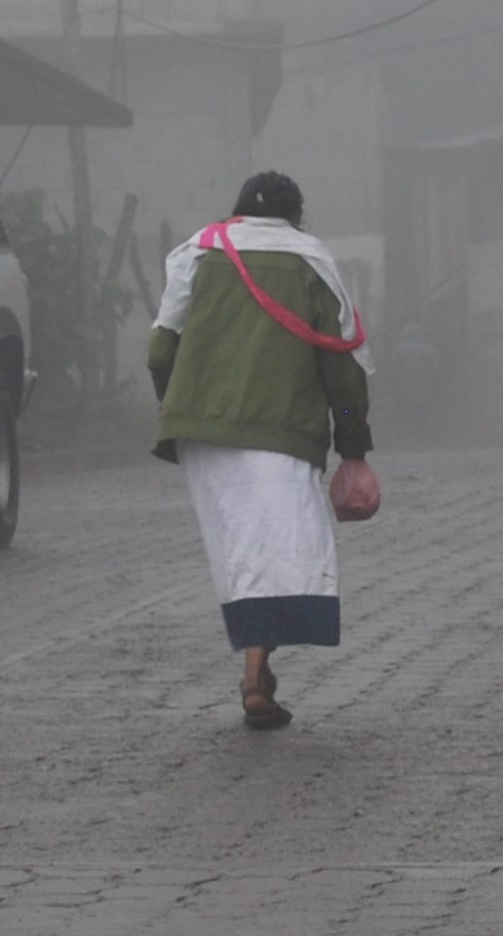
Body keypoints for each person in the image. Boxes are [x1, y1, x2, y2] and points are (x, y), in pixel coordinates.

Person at [148, 169, 371, 730]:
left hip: (203, 433)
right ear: (296, 216)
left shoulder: (198, 252)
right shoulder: (311, 260)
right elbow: (341, 365)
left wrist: (181, 409)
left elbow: (158, 348)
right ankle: (254, 679)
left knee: (241, 550)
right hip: (280, 428)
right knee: (275, 551)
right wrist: (353, 448)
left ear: (239, 212)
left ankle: (257, 678)